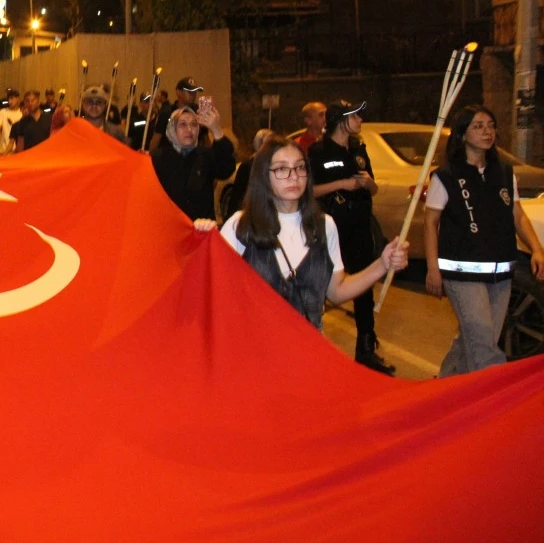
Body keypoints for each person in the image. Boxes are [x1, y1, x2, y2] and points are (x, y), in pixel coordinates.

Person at [211, 136, 408, 331]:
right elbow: (213, 290)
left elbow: (337, 291)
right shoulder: (240, 225)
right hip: (256, 346)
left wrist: (382, 264)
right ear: (263, 176)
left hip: (309, 346)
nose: (294, 176)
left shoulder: (324, 226)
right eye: (281, 169)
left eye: (300, 167)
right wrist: (202, 239)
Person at [424, 106, 544, 376]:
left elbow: (518, 215)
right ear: (462, 134)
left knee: (477, 338)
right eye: (478, 126)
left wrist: (537, 249)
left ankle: (446, 385)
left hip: (500, 272)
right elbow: (431, 223)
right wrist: (433, 268)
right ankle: (496, 392)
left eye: (490, 125)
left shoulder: (505, 173)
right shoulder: (446, 177)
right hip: (462, 274)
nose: (487, 132)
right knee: (483, 343)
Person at [309, 99, 394, 374]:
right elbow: (309, 190)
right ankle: (311, 348)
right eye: (355, 116)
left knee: (363, 288)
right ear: (340, 120)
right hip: (331, 230)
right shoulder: (318, 151)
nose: (360, 120)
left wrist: (369, 183)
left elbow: (374, 189)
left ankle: (366, 349)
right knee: (320, 286)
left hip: (360, 228)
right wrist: (342, 184)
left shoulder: (358, 149)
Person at [150, 104, 235, 222]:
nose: (189, 130)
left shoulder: (205, 155)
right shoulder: (159, 158)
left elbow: (226, 169)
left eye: (194, 125)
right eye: (183, 124)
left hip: (202, 227)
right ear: (173, 128)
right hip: (171, 226)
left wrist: (216, 130)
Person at [223, 128, 274, 219]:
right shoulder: (248, 166)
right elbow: (237, 195)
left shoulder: (277, 166)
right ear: (259, 146)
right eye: (268, 144)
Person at [149, 76, 203, 152]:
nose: (193, 95)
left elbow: (205, 138)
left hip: (193, 156)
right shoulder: (167, 113)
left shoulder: (198, 112)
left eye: (195, 92)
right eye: (189, 92)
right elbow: (155, 141)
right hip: (170, 156)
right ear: (179, 92)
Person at [0, 89, 23, 156]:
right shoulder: (3, 112)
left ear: (18, 99)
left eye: (12, 98)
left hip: (19, 151)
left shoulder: (22, 113)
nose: (10, 101)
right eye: (8, 99)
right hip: (5, 149)